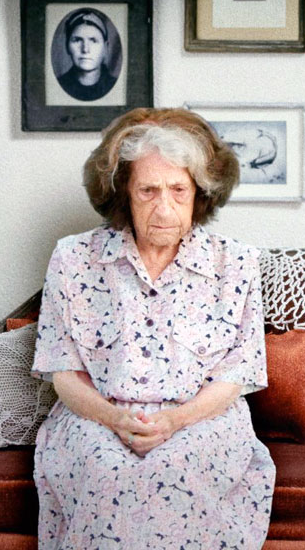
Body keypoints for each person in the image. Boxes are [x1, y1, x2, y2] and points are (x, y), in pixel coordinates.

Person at [31, 107, 275, 549]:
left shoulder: (236, 262)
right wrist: (115, 419)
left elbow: (236, 375)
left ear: (201, 192)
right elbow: (63, 374)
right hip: (98, 416)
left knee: (174, 471)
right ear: (123, 192)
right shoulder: (74, 258)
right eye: (148, 190)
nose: (164, 208)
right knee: (108, 474)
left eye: (179, 190)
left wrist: (174, 421)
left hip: (201, 418)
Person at [55, 7, 121, 102]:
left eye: (93, 41)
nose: (85, 49)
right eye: (77, 40)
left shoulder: (116, 88)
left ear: (105, 48)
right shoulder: (58, 86)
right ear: (67, 46)